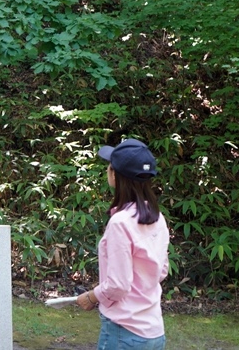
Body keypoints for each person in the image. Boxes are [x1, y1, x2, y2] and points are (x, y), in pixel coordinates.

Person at [76, 138, 170, 349]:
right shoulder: (157, 217)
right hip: (154, 333)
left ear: (115, 175)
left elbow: (118, 285)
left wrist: (92, 297)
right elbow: (162, 270)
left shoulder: (120, 222)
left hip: (124, 334)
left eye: (109, 166)